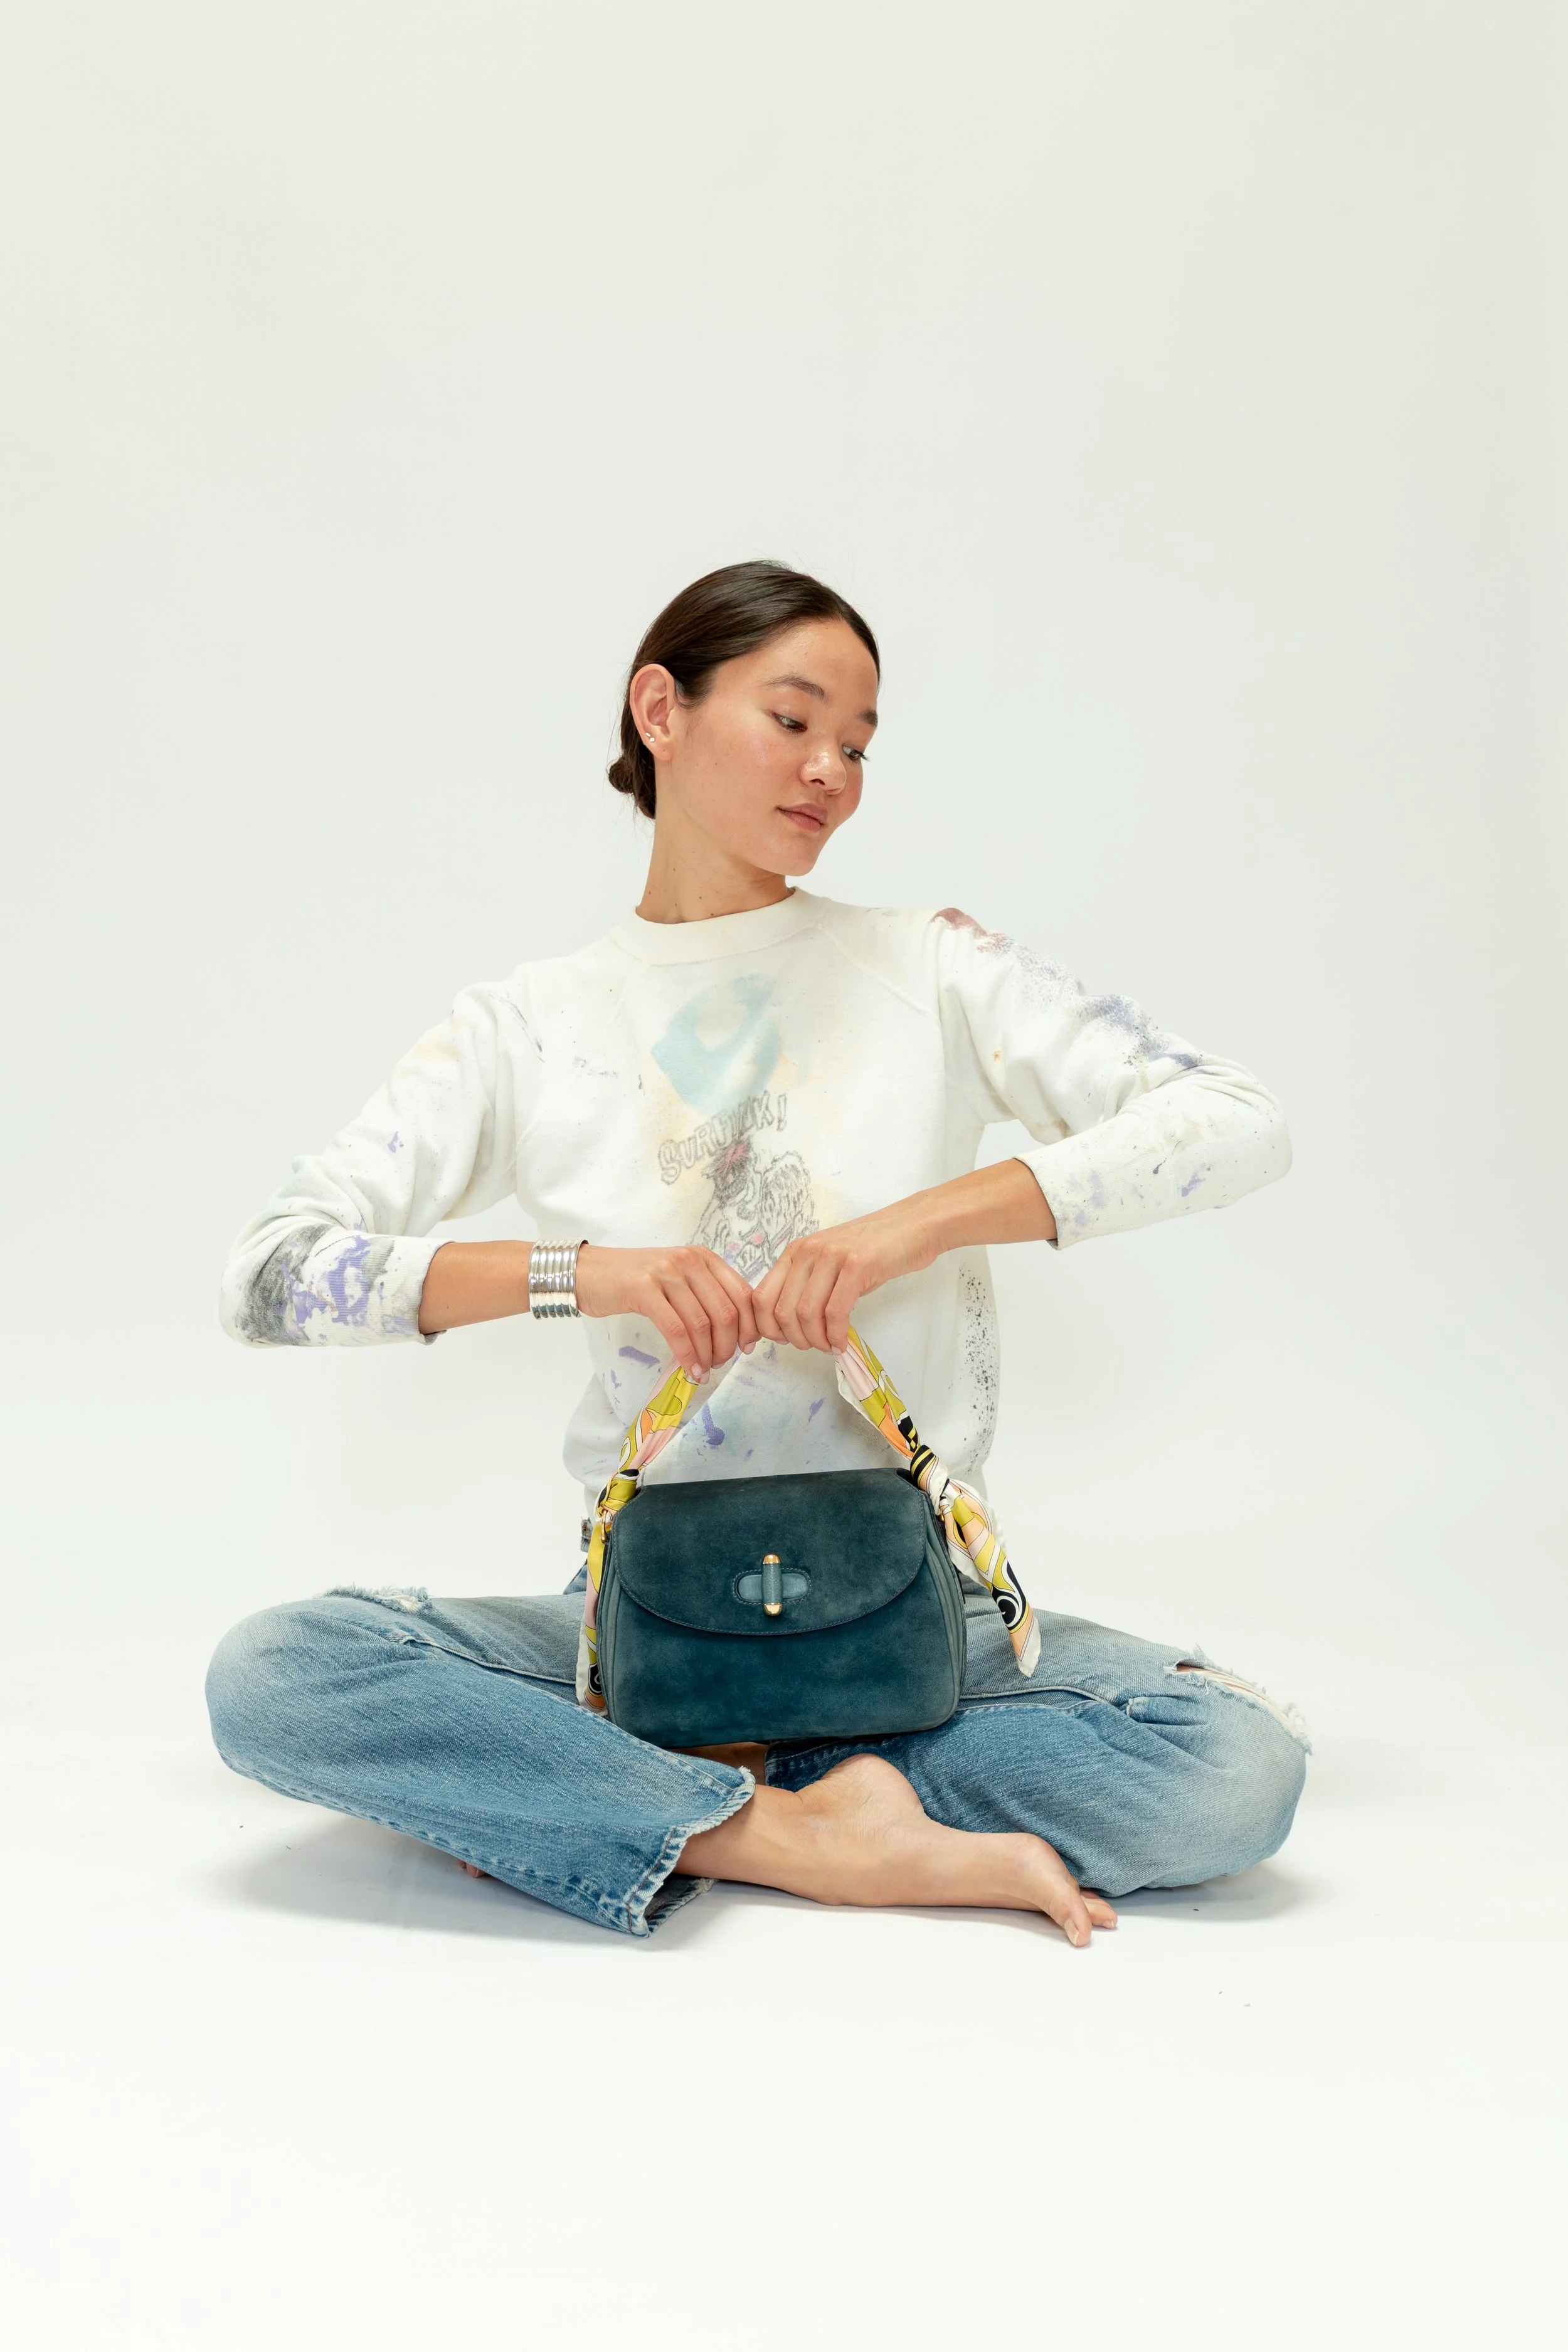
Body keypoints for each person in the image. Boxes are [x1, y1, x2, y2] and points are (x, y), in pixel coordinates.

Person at [207, 559, 1307, 1946]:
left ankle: (609, 1801)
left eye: (857, 743)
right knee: (278, 1672)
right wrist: (586, 1274)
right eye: (792, 721)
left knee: (1234, 1764)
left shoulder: (928, 965)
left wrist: (913, 1224)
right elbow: (267, 1275)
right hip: (635, 1630)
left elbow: (1236, 1120)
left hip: (917, 1609)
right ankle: (806, 1831)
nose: (830, 772)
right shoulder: (528, 1025)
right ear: (659, 709)